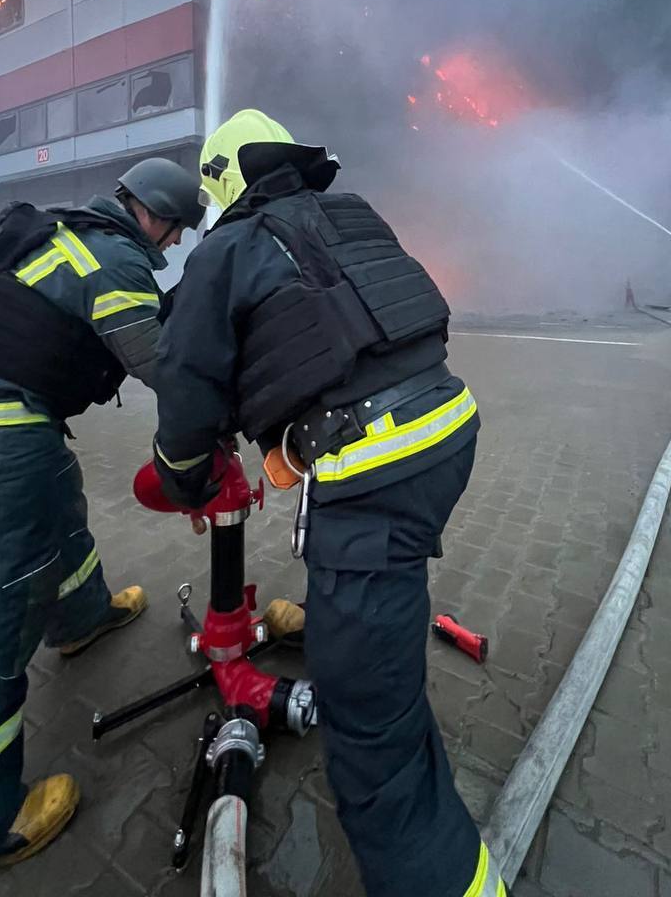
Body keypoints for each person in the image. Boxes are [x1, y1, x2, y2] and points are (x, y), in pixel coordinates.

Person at [153, 110, 506, 897]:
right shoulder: (346, 211)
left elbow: (185, 378)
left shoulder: (228, 249)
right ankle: (385, 676)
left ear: (220, 184)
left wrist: (181, 476)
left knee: (368, 735)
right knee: (382, 639)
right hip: (447, 431)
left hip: (377, 470)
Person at [0, 157, 202, 879]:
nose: (169, 249)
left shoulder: (77, 231)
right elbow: (162, 365)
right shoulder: (114, 259)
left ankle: (80, 618)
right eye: (174, 236)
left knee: (58, 496)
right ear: (155, 216)